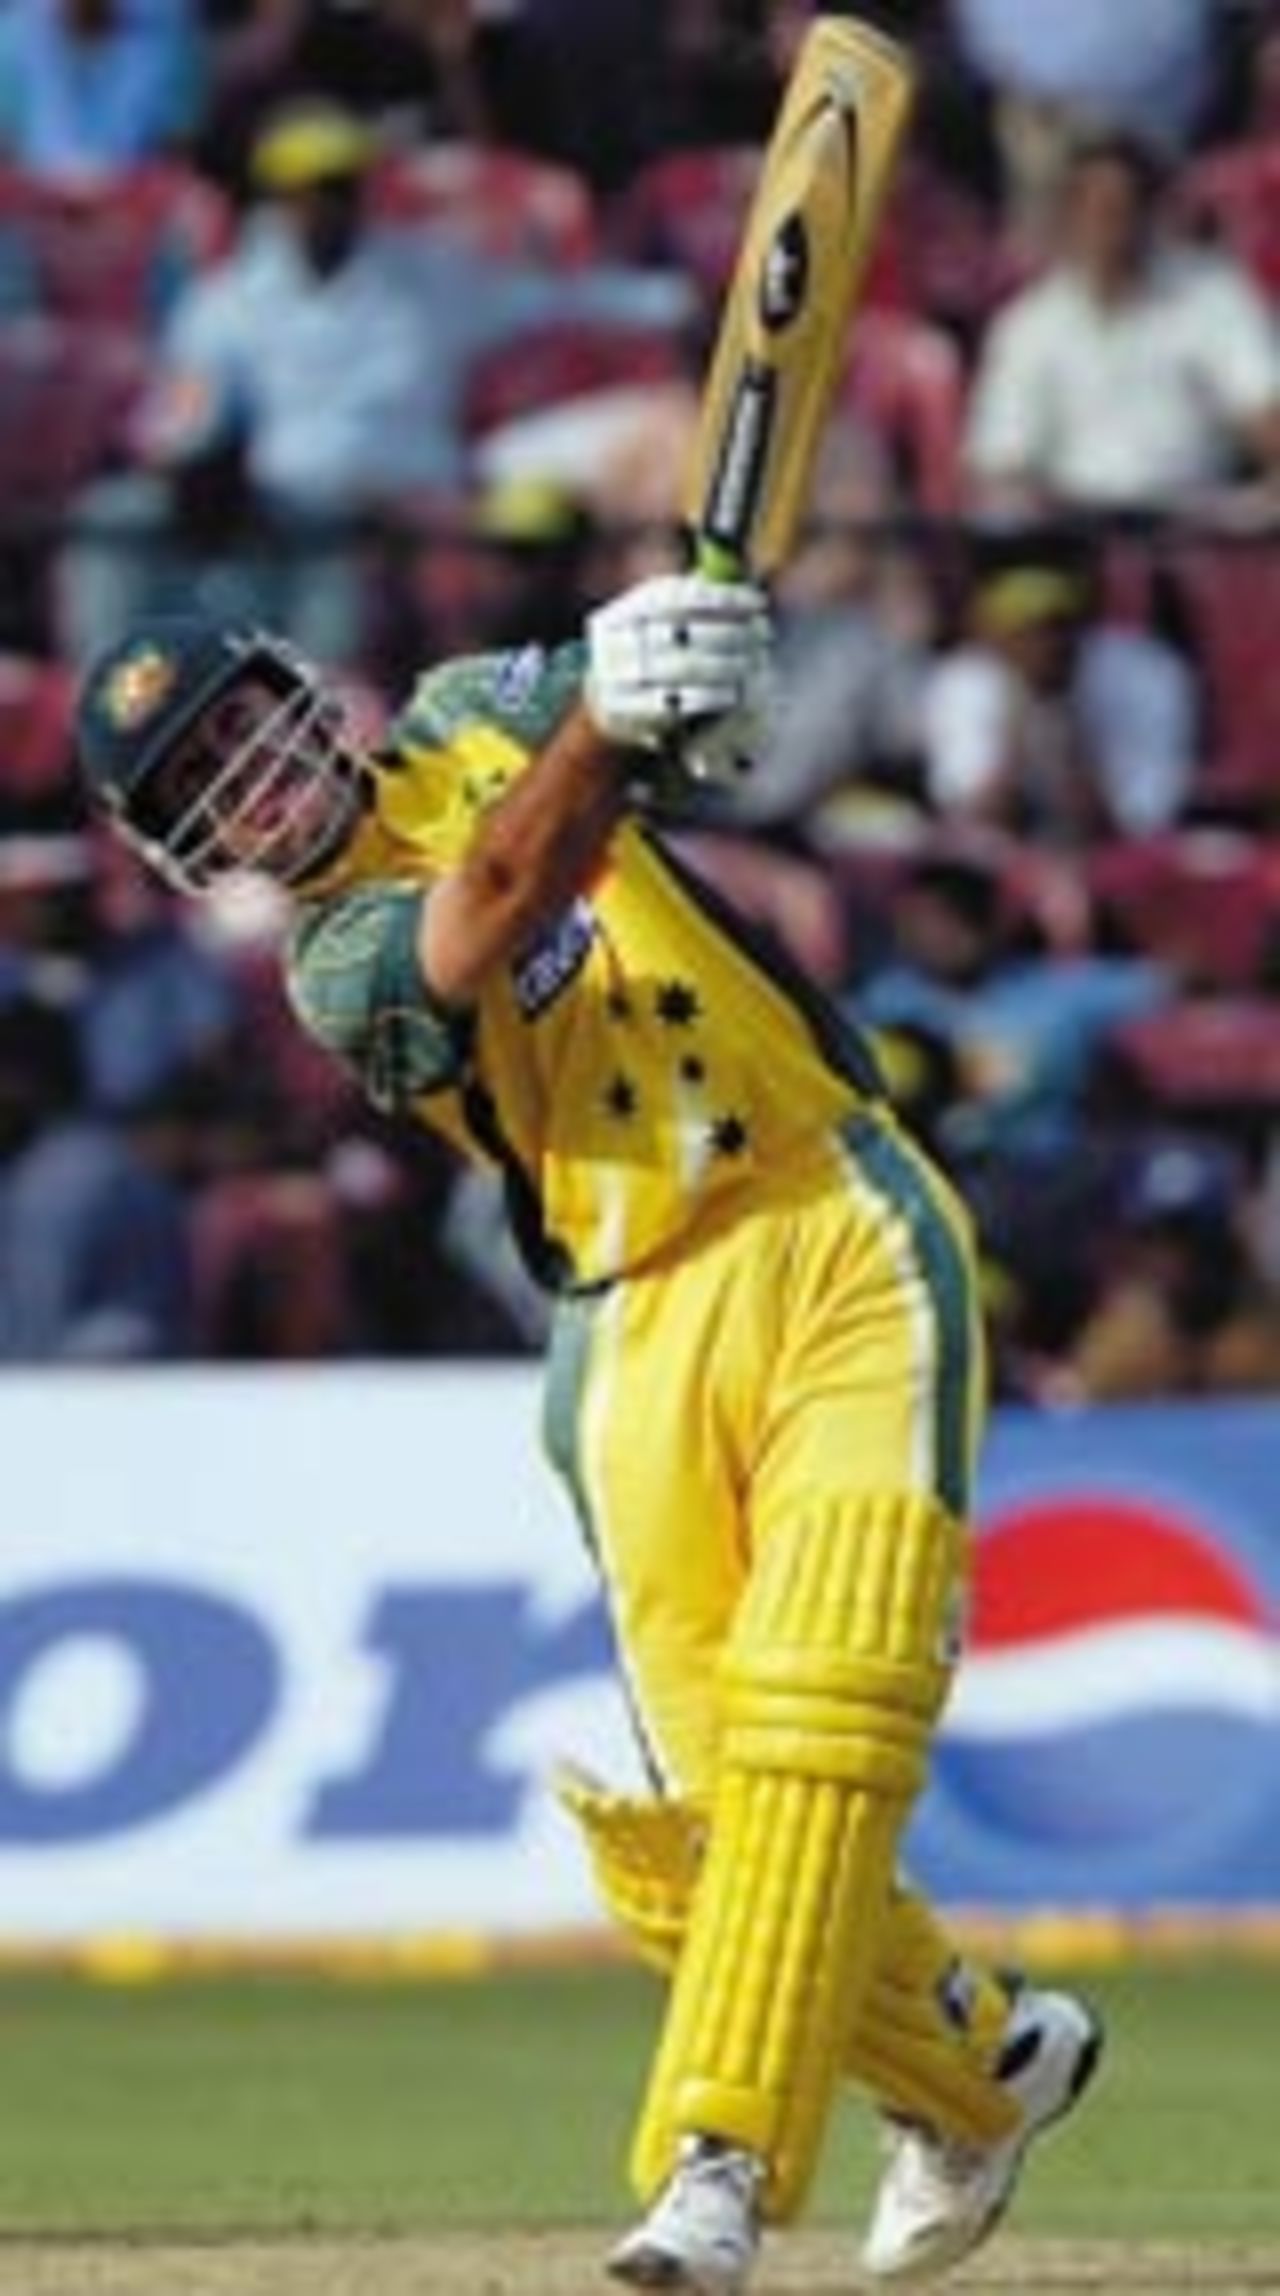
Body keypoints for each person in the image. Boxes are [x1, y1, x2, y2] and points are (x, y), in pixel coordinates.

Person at [74, 570, 1103, 2293]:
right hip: (634, 1318)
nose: (250, 782)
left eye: (241, 734)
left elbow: (686, 705)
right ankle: (981, 2071)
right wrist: (611, 723)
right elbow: (501, 887)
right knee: (700, 1839)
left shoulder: (478, 705)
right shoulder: (337, 969)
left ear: (297, 694)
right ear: (194, 849)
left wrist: (702, 675)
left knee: (824, 1709)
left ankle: (716, 2166)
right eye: (204, 786)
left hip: (831, 1212)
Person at [964, 130, 1280, 517]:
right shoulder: (1027, 325)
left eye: (1121, 208)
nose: (1108, 227)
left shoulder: (1212, 295)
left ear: (1150, 212)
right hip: (1075, 527)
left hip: (1196, 521)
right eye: (1093, 210)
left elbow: (1264, 411)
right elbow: (1001, 462)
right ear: (1067, 218)